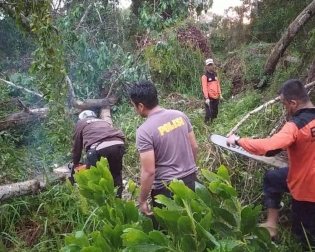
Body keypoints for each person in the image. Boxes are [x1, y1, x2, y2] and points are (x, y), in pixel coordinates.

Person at [226, 79, 315, 248]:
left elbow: (269, 148)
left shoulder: (295, 126)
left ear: (293, 103)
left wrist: (239, 140)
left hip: (307, 187)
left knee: (304, 233)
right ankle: (271, 225)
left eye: (285, 104)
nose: (286, 109)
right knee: (272, 179)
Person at [128, 80, 199, 217]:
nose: (135, 109)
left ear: (141, 106)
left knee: (170, 234)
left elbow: (149, 171)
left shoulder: (144, 131)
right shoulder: (180, 115)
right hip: (192, 182)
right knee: (196, 227)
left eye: (134, 106)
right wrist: (190, 170)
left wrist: (142, 199)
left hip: (167, 190)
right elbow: (194, 146)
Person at [72, 110, 126, 198]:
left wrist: (75, 163)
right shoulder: (103, 121)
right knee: (116, 173)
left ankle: (98, 200)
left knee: (93, 175)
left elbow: (77, 146)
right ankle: (117, 198)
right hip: (118, 144)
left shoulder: (81, 123)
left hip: (98, 147)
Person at [201, 58, 223, 124]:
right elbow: (204, 87)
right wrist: (206, 98)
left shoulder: (215, 74)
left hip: (216, 96)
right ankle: (206, 125)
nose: (211, 66)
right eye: (209, 65)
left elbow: (217, 84)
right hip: (209, 97)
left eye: (211, 64)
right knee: (209, 113)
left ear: (213, 64)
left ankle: (214, 124)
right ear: (206, 66)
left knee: (215, 112)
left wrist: (220, 94)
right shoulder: (205, 76)